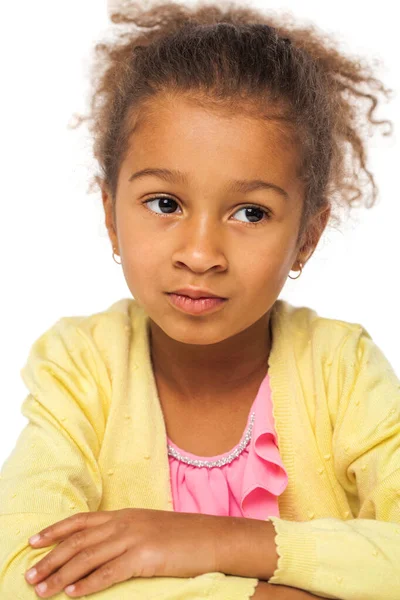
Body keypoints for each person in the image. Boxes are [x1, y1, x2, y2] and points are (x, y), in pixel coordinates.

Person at [1, 1, 399, 598]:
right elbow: (22, 573)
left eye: (250, 212)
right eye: (165, 203)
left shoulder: (340, 369)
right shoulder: (81, 367)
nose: (200, 253)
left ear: (306, 238)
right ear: (111, 217)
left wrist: (209, 540)